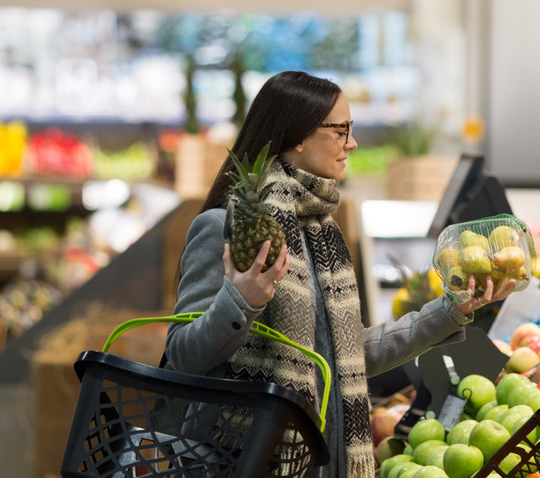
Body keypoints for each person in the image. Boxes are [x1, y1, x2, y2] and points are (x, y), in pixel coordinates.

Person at [164, 70, 515, 477]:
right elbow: (182, 357)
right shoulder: (226, 227)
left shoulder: (323, 233)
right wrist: (240, 302)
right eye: (341, 129)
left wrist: (450, 311)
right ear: (298, 136)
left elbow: (347, 357)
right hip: (241, 461)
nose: (353, 142)